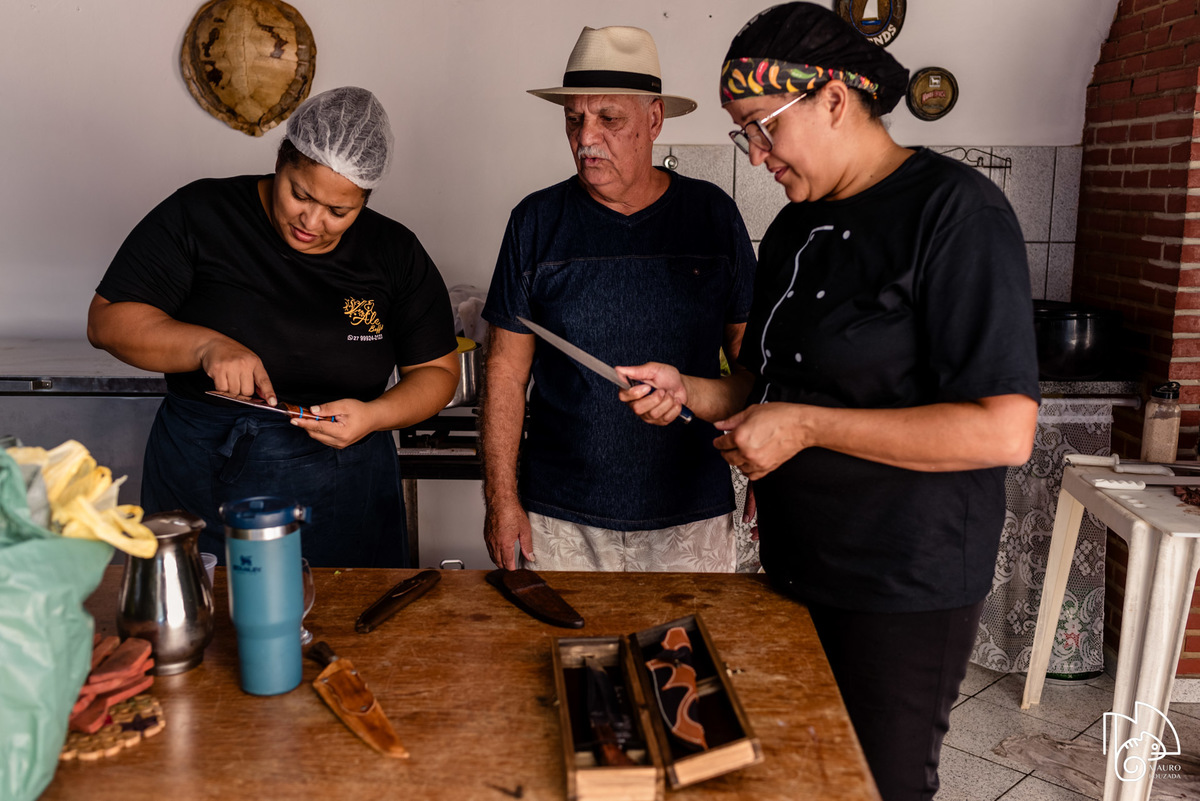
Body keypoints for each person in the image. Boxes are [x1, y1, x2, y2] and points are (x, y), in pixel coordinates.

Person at [618, 5, 1041, 799]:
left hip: (902, 580)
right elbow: (757, 387)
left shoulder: (955, 212)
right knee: (804, 773)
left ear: (835, 101)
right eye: (743, 131)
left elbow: (1005, 429)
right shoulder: (792, 230)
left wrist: (806, 426)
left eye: (762, 127)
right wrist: (688, 391)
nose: (755, 152)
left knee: (875, 783)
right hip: (795, 564)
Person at [87, 86, 459, 568]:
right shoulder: (201, 213)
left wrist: (375, 416)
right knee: (208, 627)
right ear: (282, 159)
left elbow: (438, 372)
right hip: (207, 476)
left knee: (356, 629)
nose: (312, 220)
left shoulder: (395, 252)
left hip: (348, 483)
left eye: (338, 211)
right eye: (299, 194)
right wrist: (206, 346)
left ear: (365, 198)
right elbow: (108, 320)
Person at [480, 26, 756, 572]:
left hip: (691, 513)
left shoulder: (711, 217)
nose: (587, 137)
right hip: (558, 520)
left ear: (654, 120)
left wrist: (766, 473)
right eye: (574, 118)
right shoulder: (535, 222)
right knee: (560, 658)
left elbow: (753, 359)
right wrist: (501, 500)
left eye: (609, 119)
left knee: (687, 657)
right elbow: (505, 373)